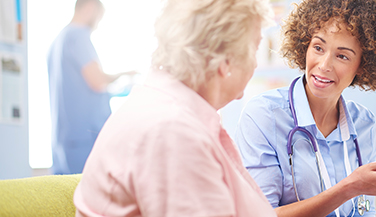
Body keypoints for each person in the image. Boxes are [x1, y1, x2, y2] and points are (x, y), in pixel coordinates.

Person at [234, 0, 376, 217]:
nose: (324, 65)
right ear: (304, 45)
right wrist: (349, 188)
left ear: (363, 65)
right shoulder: (264, 115)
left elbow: (364, 212)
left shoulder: (365, 126)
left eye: (342, 56)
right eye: (318, 47)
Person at [73, 0, 278, 216]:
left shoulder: (164, 105)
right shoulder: (173, 131)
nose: (255, 64)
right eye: (255, 48)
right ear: (225, 60)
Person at [47, 0, 136, 174]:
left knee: (64, 194)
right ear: (90, 8)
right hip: (84, 138)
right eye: (99, 18)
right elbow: (97, 81)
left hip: (65, 139)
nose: (97, 25)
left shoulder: (58, 41)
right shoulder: (78, 35)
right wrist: (126, 75)